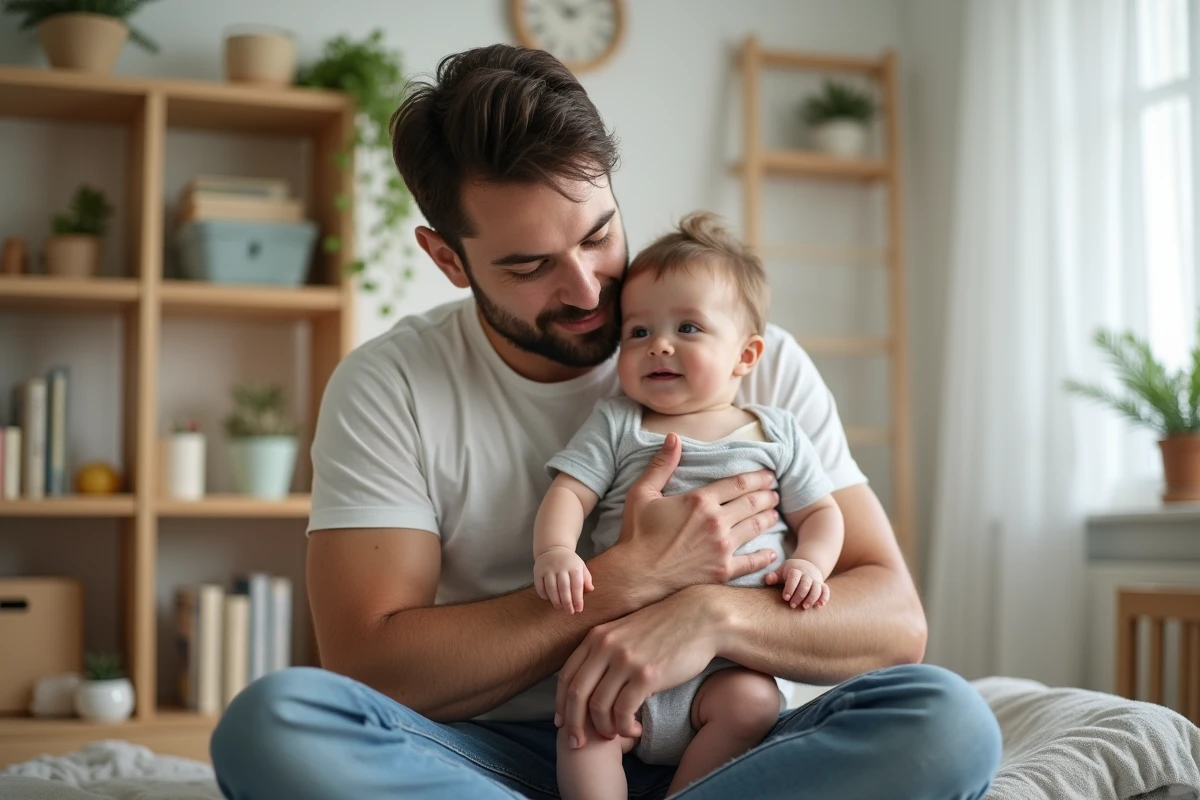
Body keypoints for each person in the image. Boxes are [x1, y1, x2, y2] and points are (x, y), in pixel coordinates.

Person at [210, 43, 1002, 800]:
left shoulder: (755, 365)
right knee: (274, 725)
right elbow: (370, 666)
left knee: (947, 725)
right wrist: (629, 581)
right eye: (530, 265)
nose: (588, 290)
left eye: (599, 236)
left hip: (728, 739)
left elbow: (893, 623)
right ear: (448, 258)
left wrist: (709, 615)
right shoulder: (391, 385)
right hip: (499, 756)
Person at [532, 212, 845, 799]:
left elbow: (822, 514)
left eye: (689, 327)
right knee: (584, 728)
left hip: (727, 667)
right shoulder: (619, 423)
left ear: (746, 355)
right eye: (638, 332)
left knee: (753, 704)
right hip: (620, 653)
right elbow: (569, 491)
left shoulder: (776, 433)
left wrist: (811, 563)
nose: (660, 344)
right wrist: (555, 551)